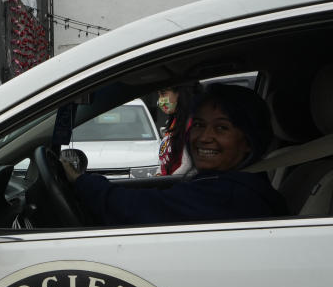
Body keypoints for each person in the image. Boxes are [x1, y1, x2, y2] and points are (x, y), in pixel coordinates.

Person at [63, 84, 288, 225]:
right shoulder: (231, 183)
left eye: (221, 128)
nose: (204, 137)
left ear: (248, 141)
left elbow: (138, 207)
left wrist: (81, 182)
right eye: (199, 125)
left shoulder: (229, 194)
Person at [156, 83, 196, 176]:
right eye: (159, 96)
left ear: (179, 94)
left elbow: (187, 164)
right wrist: (158, 175)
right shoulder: (172, 122)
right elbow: (164, 161)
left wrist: (167, 183)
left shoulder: (189, 123)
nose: (160, 100)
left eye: (163, 94)